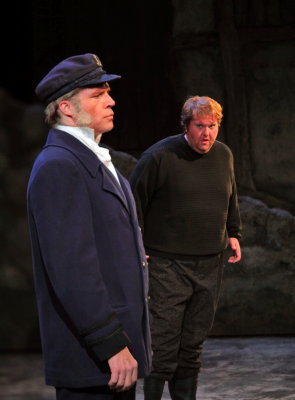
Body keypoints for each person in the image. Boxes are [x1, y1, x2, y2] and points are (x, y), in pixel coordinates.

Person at [26, 53, 151, 400]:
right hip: (93, 360)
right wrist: (111, 344)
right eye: (97, 95)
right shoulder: (59, 166)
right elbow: (71, 270)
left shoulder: (94, 159)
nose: (111, 100)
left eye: (108, 92)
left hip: (110, 358)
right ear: (66, 108)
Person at [130, 95, 242, 400]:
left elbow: (230, 195)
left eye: (212, 126)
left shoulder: (223, 155)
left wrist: (233, 232)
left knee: (192, 344)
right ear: (186, 126)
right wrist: (135, 243)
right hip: (167, 265)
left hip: (210, 263)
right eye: (200, 126)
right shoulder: (159, 157)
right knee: (163, 345)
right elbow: (132, 204)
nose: (207, 133)